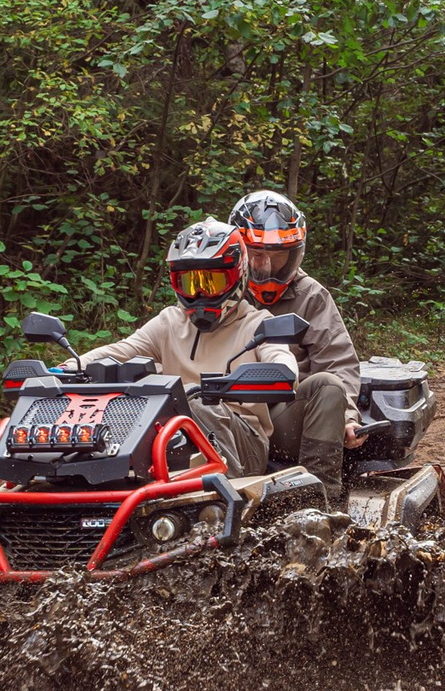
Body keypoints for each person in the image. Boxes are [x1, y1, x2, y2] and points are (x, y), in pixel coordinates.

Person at [73, 219, 297, 477]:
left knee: (200, 402)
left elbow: (280, 357)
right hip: (174, 435)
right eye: (190, 283)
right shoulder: (169, 322)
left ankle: (229, 491)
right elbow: (120, 351)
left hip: (244, 444)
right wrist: (67, 367)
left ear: (237, 276)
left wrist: (279, 371)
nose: (200, 293)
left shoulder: (258, 324)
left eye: (211, 282)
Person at [227, 189, 357, 494]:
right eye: (258, 255)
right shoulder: (218, 291)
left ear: (294, 254)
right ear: (238, 252)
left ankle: (319, 500)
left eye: (279, 257)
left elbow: (338, 361)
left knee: (328, 385)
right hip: (226, 415)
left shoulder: (311, 295)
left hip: (283, 417)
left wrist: (348, 417)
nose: (268, 267)